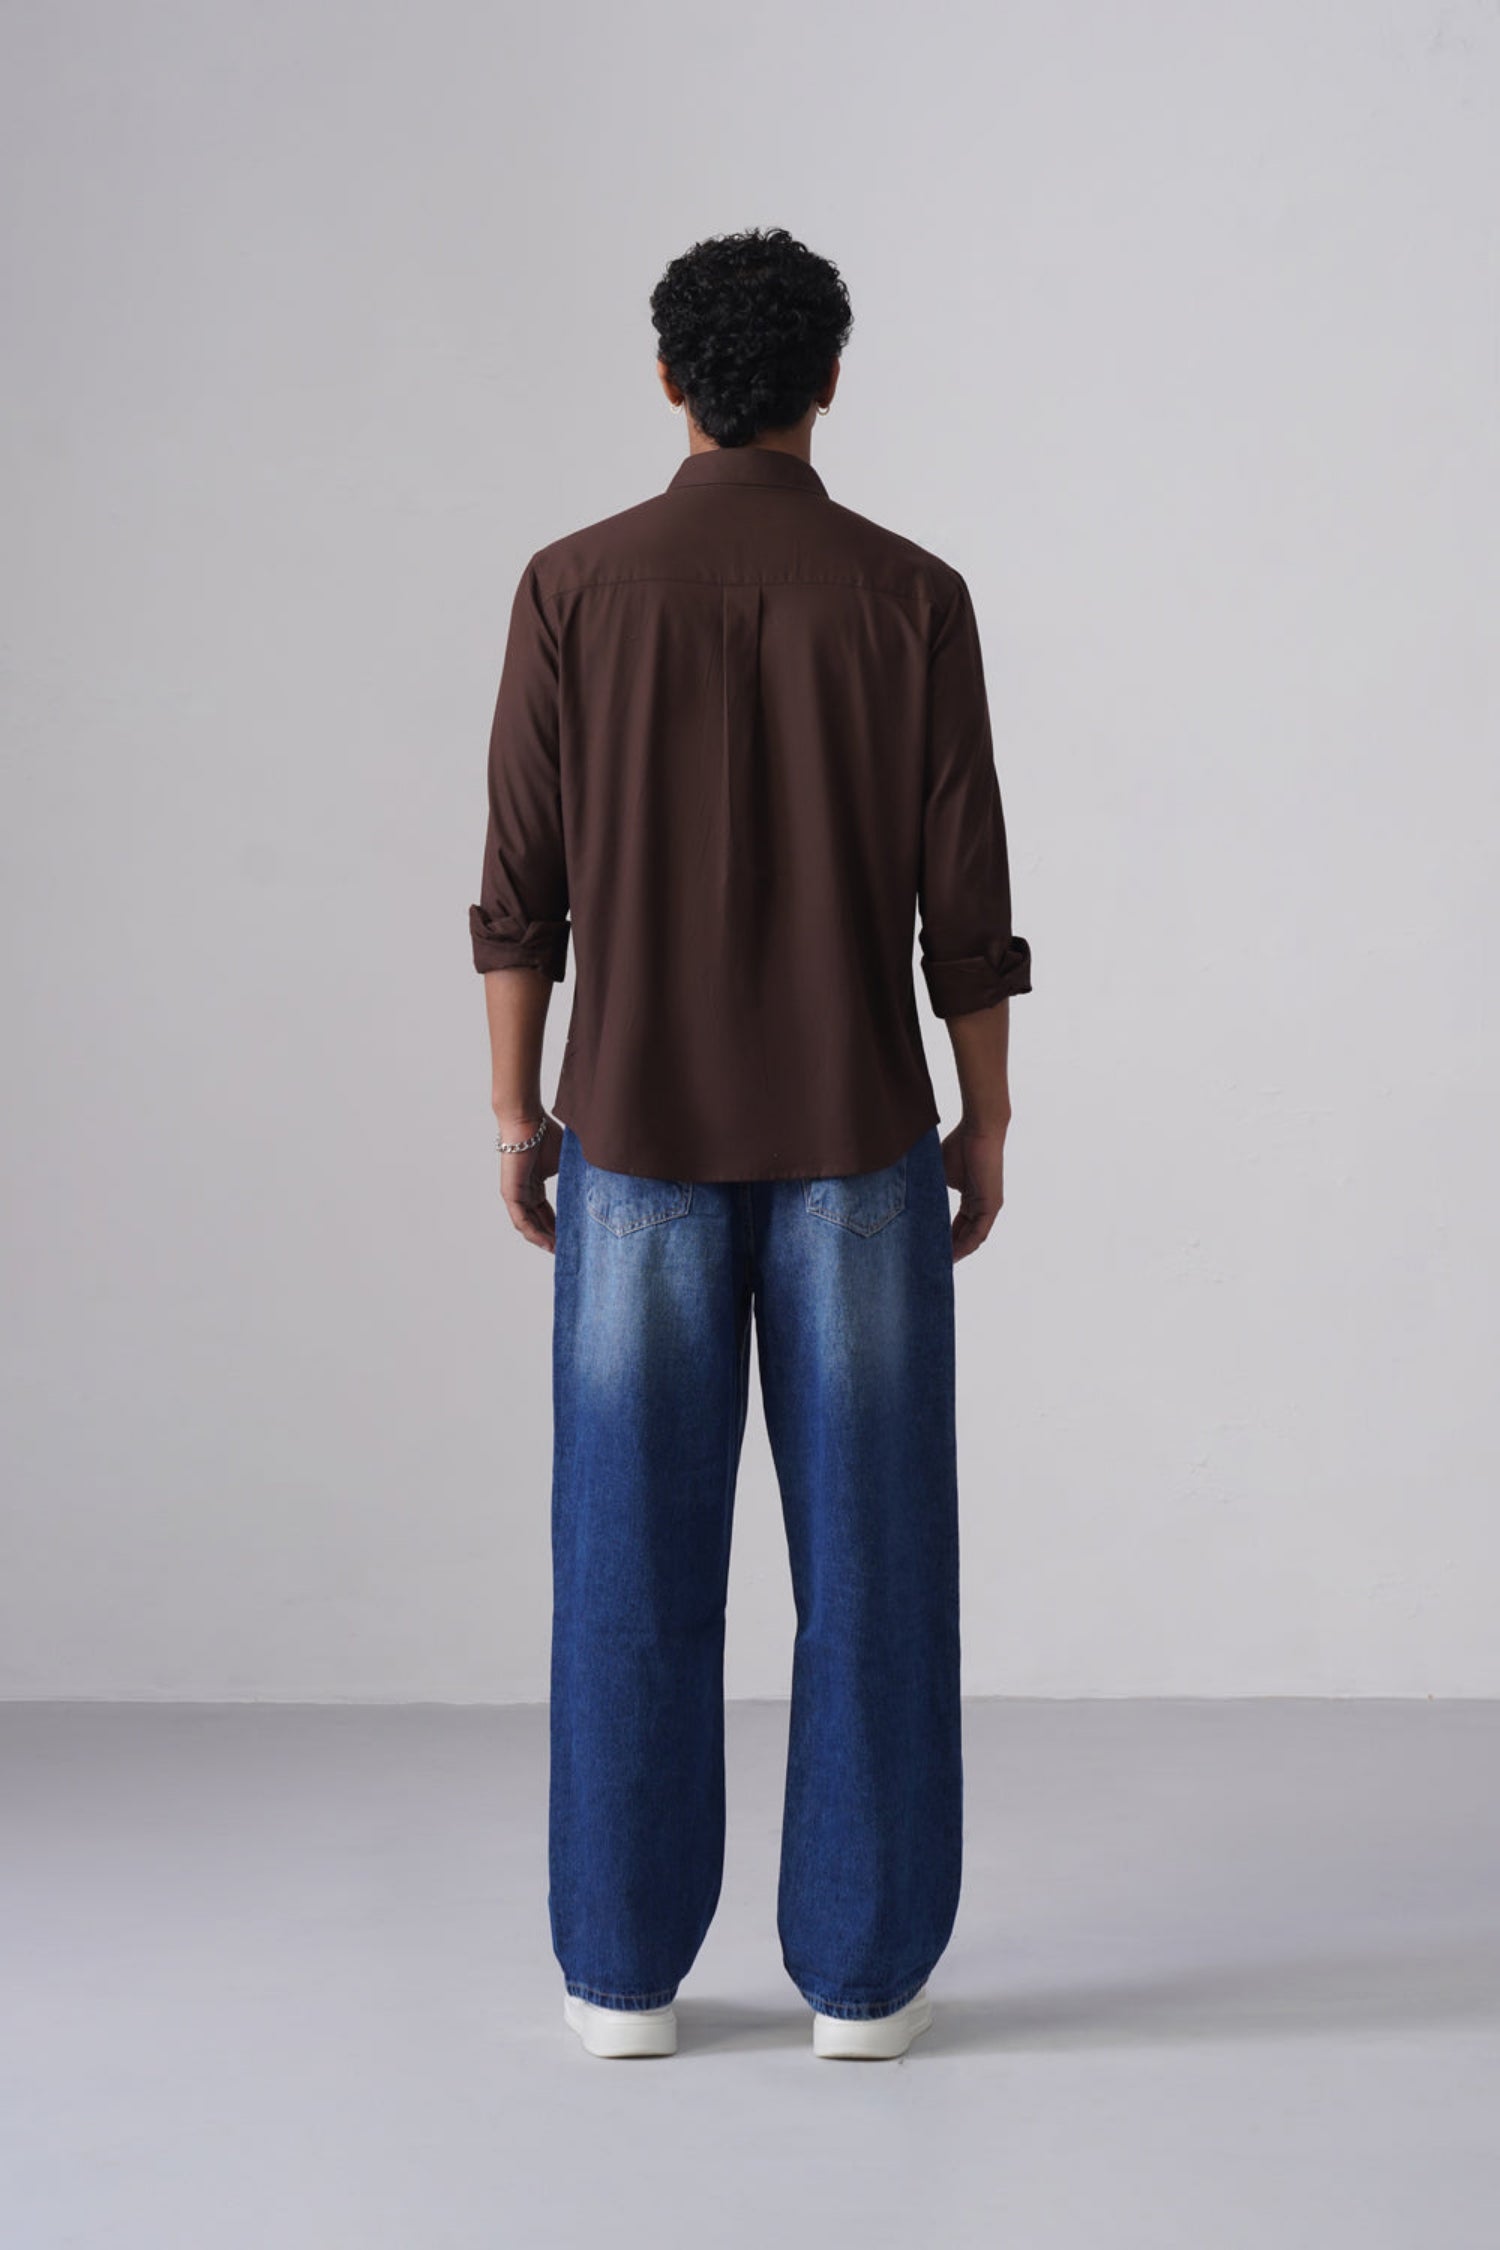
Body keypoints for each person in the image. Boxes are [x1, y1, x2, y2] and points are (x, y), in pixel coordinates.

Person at [469, 226, 1032, 2062]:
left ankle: (620, 1975)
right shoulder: (913, 595)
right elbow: (968, 903)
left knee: (627, 1558)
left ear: (669, 382)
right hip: (860, 1135)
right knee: (876, 1561)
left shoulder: (572, 585)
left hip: (633, 1136)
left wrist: (516, 1107)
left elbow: (520, 890)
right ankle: (864, 1978)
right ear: (829, 383)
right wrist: (988, 1113)